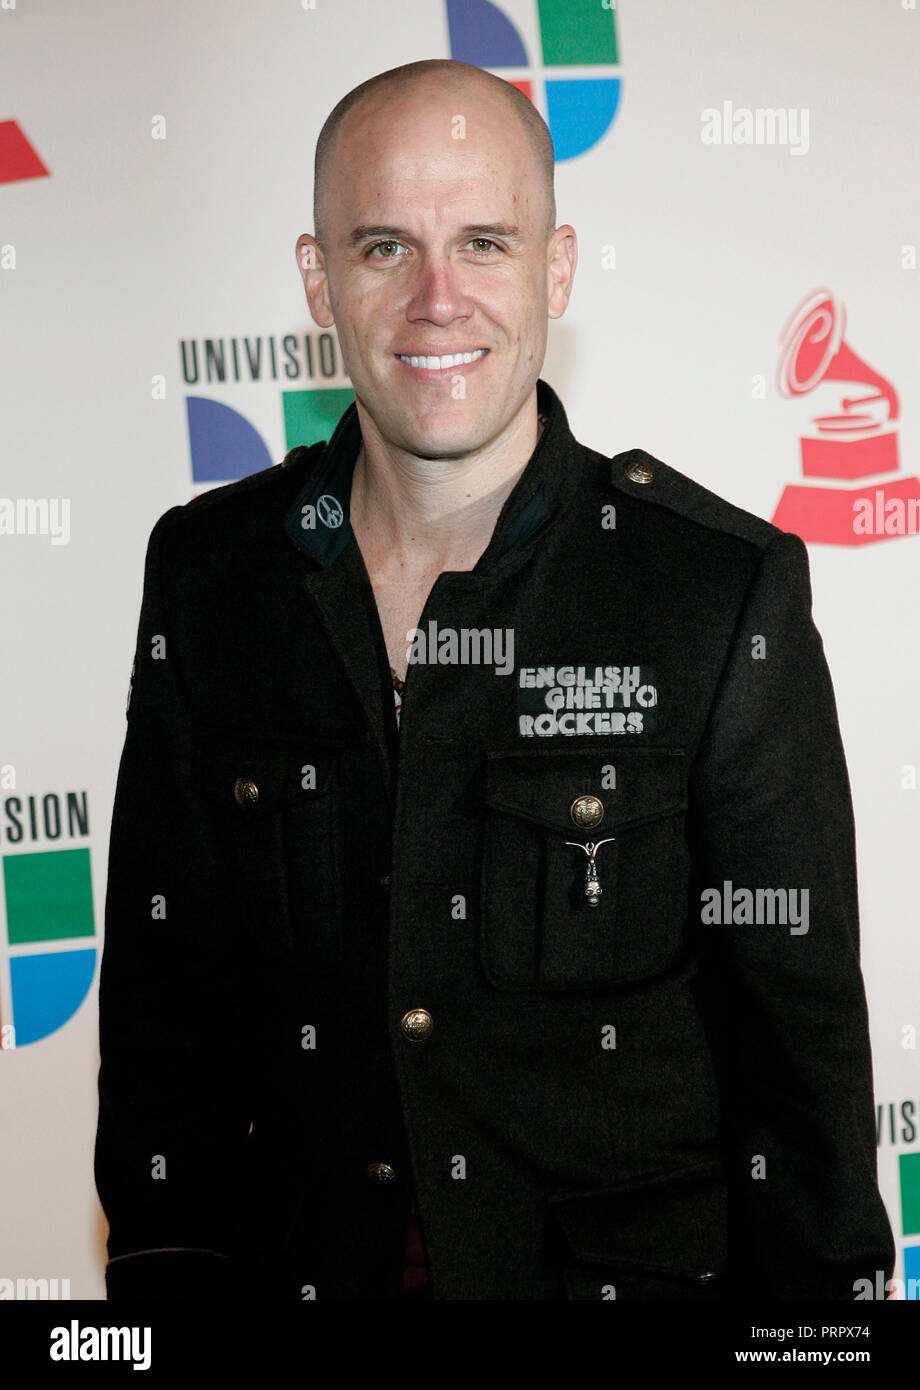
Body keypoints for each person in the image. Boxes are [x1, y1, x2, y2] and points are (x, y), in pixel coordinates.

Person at [94, 58, 895, 1300]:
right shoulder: (210, 578)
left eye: (482, 242)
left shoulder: (711, 591)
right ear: (316, 280)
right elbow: (165, 1018)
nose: (435, 299)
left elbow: (799, 1061)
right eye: (380, 249)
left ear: (554, 269)